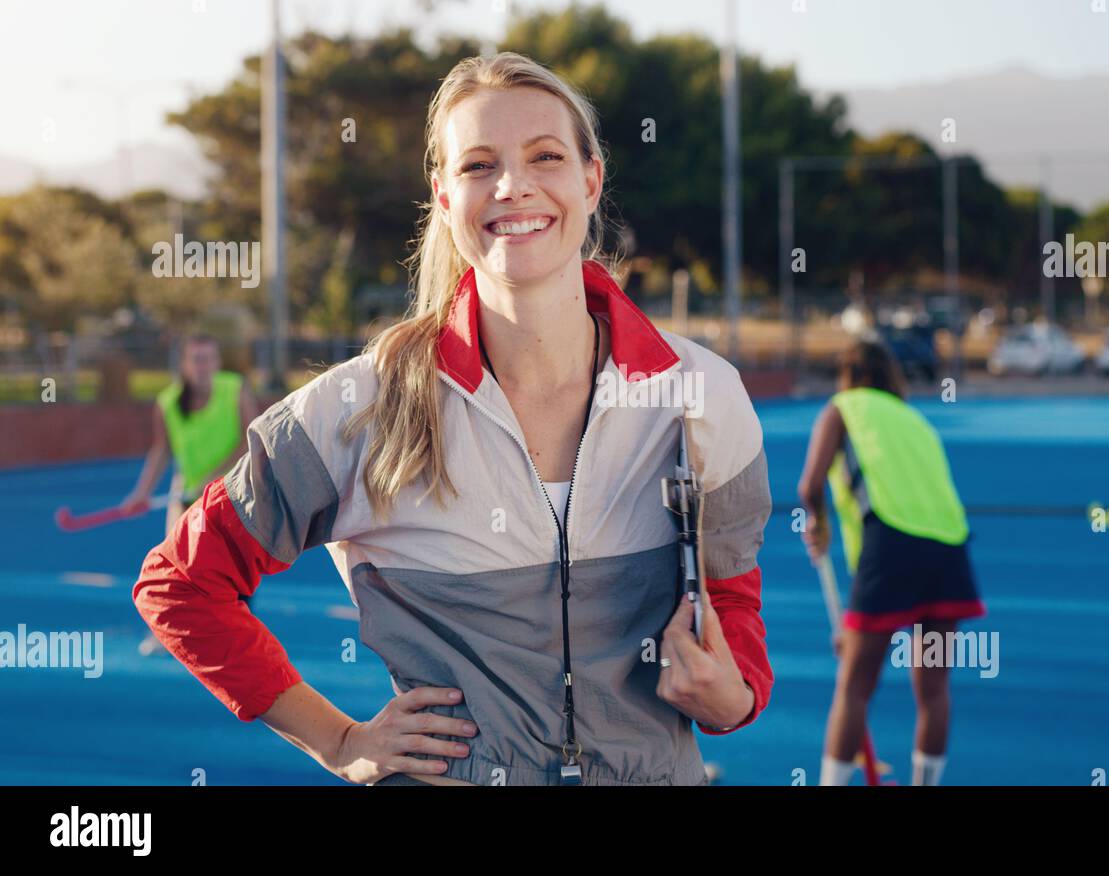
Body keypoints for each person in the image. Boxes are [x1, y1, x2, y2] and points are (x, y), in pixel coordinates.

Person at [132, 52, 774, 786]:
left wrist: (733, 695)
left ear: (591, 180)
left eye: (545, 156)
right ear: (442, 196)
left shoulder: (702, 395)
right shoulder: (358, 408)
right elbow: (180, 583)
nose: (513, 185)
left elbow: (730, 600)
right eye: (477, 165)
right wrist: (337, 739)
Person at [798, 339, 984, 786]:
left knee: (855, 685)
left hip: (892, 546)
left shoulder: (842, 407)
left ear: (848, 375)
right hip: (950, 550)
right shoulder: (915, 420)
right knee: (935, 690)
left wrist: (817, 524)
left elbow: (809, 486)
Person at [123, 333, 258, 655]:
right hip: (187, 495)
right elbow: (161, 451)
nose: (203, 367)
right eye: (196, 360)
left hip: (233, 492)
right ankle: (165, 633)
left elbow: (250, 440)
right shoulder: (168, 402)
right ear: (184, 365)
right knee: (172, 568)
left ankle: (239, 635)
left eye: (209, 359)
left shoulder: (235, 389)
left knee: (235, 568)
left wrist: (213, 477)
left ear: (217, 363)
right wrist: (141, 493)